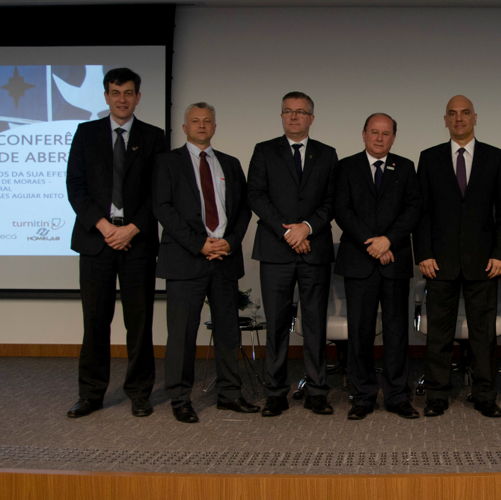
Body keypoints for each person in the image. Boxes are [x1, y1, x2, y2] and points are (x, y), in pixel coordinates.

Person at [65, 68, 169, 418]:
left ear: (138, 97)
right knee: (95, 321)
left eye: (128, 93)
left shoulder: (154, 137)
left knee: (138, 323)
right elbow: (75, 187)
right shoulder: (86, 133)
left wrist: (131, 229)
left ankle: (140, 393)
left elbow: (159, 192)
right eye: (115, 92)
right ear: (106, 96)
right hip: (96, 241)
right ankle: (91, 394)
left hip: (136, 242)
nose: (122, 99)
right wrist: (105, 227)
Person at [153, 102, 257, 423]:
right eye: (194, 121)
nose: (201, 126)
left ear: (215, 127)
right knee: (183, 333)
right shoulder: (166, 163)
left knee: (228, 331)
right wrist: (200, 244)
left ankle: (229, 394)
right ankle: (180, 398)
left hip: (225, 258)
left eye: (207, 121)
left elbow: (243, 210)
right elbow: (163, 208)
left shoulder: (230, 163)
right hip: (186, 260)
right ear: (184, 128)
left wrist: (230, 241)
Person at [413, 95, 501, 418]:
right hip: (438, 262)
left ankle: (485, 395)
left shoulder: (495, 158)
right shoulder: (428, 158)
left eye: (465, 113)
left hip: (483, 263)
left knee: (482, 336)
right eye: (453, 114)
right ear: (445, 120)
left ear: (475, 118)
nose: (459, 119)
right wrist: (424, 253)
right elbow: (422, 212)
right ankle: (437, 395)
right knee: (438, 334)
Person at [247, 92, 339, 416]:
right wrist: (289, 231)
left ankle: (317, 391)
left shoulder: (327, 154)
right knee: (276, 324)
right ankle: (275, 393)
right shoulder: (264, 151)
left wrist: (307, 228)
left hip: (314, 250)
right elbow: (255, 196)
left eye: (301, 112)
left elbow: (332, 201)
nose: (294, 117)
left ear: (312, 118)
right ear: (281, 115)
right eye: (288, 111)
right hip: (276, 251)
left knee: (315, 325)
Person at [334, 113, 422, 420]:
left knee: (397, 331)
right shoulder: (346, 166)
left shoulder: (406, 167)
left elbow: (413, 209)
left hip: (394, 260)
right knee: (360, 331)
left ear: (394, 137)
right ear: (363, 134)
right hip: (359, 260)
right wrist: (373, 243)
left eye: (386, 133)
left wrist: (388, 241)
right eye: (374, 132)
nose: (380, 138)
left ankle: (397, 396)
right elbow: (341, 210)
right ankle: (363, 395)